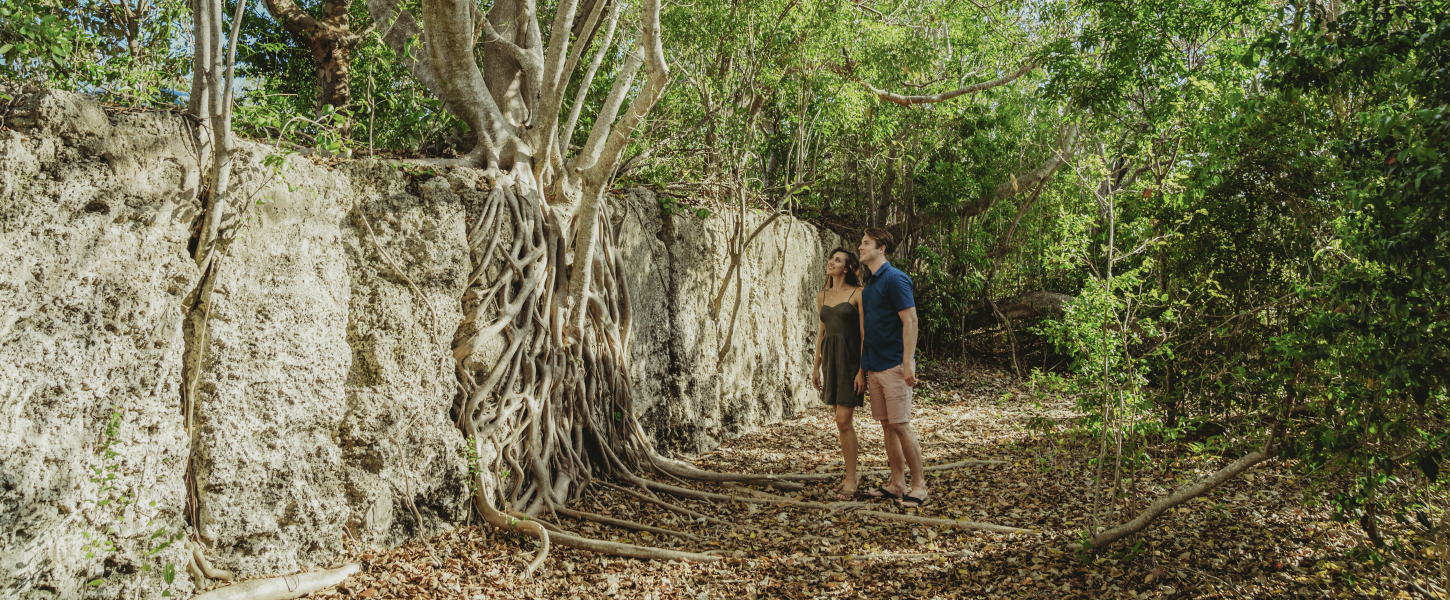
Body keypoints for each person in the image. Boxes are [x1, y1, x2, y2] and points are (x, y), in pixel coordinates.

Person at [857, 228, 927, 508]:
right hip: (875, 365)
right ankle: (897, 483)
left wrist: (908, 362)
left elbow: (910, 321)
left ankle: (920, 486)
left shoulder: (896, 279)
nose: (860, 247)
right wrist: (864, 368)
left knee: (900, 424)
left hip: (895, 364)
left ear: (881, 248)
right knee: (887, 425)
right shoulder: (871, 284)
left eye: (866, 243)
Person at [811, 248, 867, 500]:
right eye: (830, 258)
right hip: (830, 362)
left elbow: (865, 334)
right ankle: (849, 474)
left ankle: (851, 479)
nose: (831, 262)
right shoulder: (822, 295)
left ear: (846, 268)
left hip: (850, 361)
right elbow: (821, 333)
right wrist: (815, 366)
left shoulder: (858, 294)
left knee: (843, 421)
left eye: (837, 260)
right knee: (841, 421)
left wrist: (862, 370)